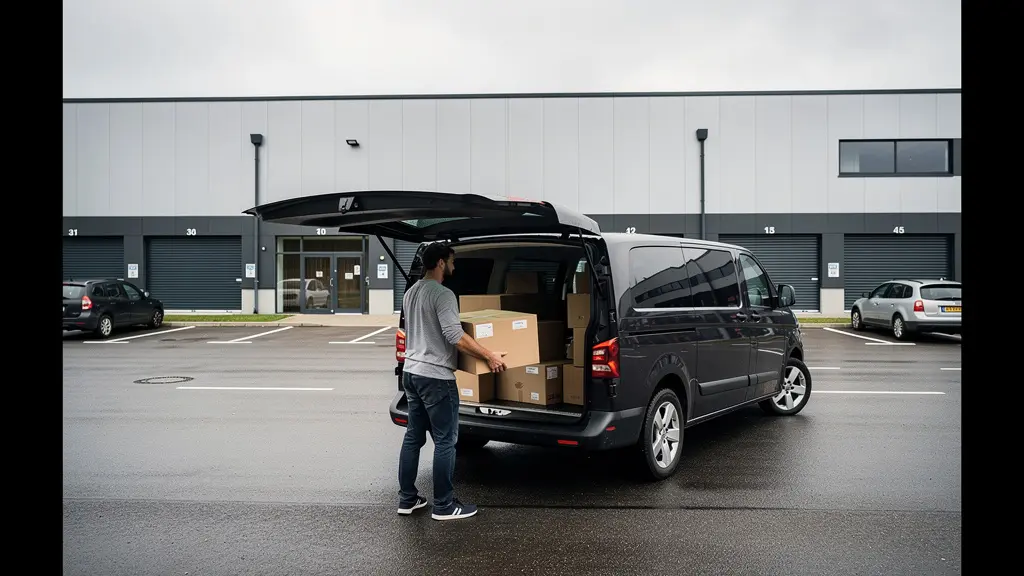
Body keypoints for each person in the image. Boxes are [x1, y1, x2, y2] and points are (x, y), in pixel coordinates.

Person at [396, 241, 507, 521]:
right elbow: (454, 335)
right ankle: (445, 505)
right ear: (442, 263)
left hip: (412, 372)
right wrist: (489, 355)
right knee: (446, 441)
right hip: (435, 377)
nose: (455, 266)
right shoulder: (443, 294)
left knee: (413, 437)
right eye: (453, 261)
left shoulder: (411, 292)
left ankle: (408, 499)